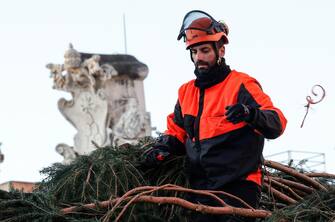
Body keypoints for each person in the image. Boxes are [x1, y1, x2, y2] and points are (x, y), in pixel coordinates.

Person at [144, 10, 287, 222]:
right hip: (201, 190)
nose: (198, 57)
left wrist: (250, 114)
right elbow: (177, 131)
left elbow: (277, 122)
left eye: (204, 50)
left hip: (240, 188)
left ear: (220, 50)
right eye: (194, 52)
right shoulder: (186, 92)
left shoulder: (241, 84)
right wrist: (162, 147)